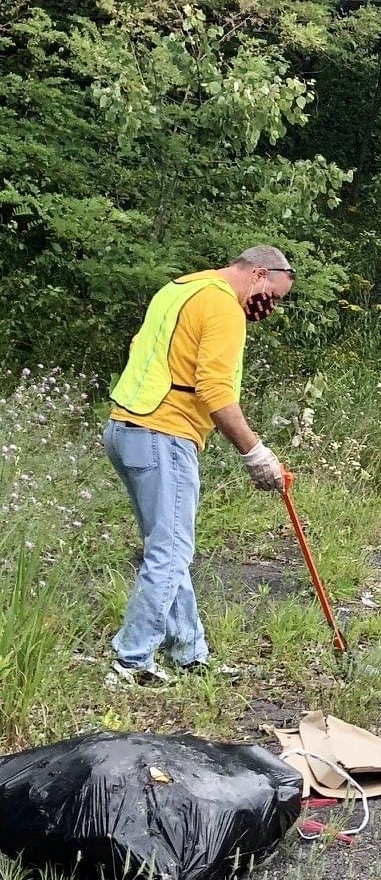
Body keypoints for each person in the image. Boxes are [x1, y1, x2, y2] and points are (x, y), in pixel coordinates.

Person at [103, 246, 295, 685]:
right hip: (163, 433)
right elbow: (214, 389)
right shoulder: (223, 305)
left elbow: (140, 346)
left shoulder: (180, 288)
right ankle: (131, 661)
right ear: (259, 274)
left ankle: (190, 654)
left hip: (125, 428)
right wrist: (255, 452)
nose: (269, 307)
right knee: (170, 552)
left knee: (170, 547)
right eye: (274, 296)